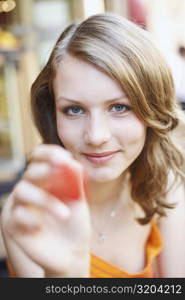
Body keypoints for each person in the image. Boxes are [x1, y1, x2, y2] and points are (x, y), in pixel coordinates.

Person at [1, 13, 185, 278]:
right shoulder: (30, 215)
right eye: (74, 109)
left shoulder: (166, 187)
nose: (96, 136)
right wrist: (67, 273)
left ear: (152, 109)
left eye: (119, 107)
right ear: (52, 113)